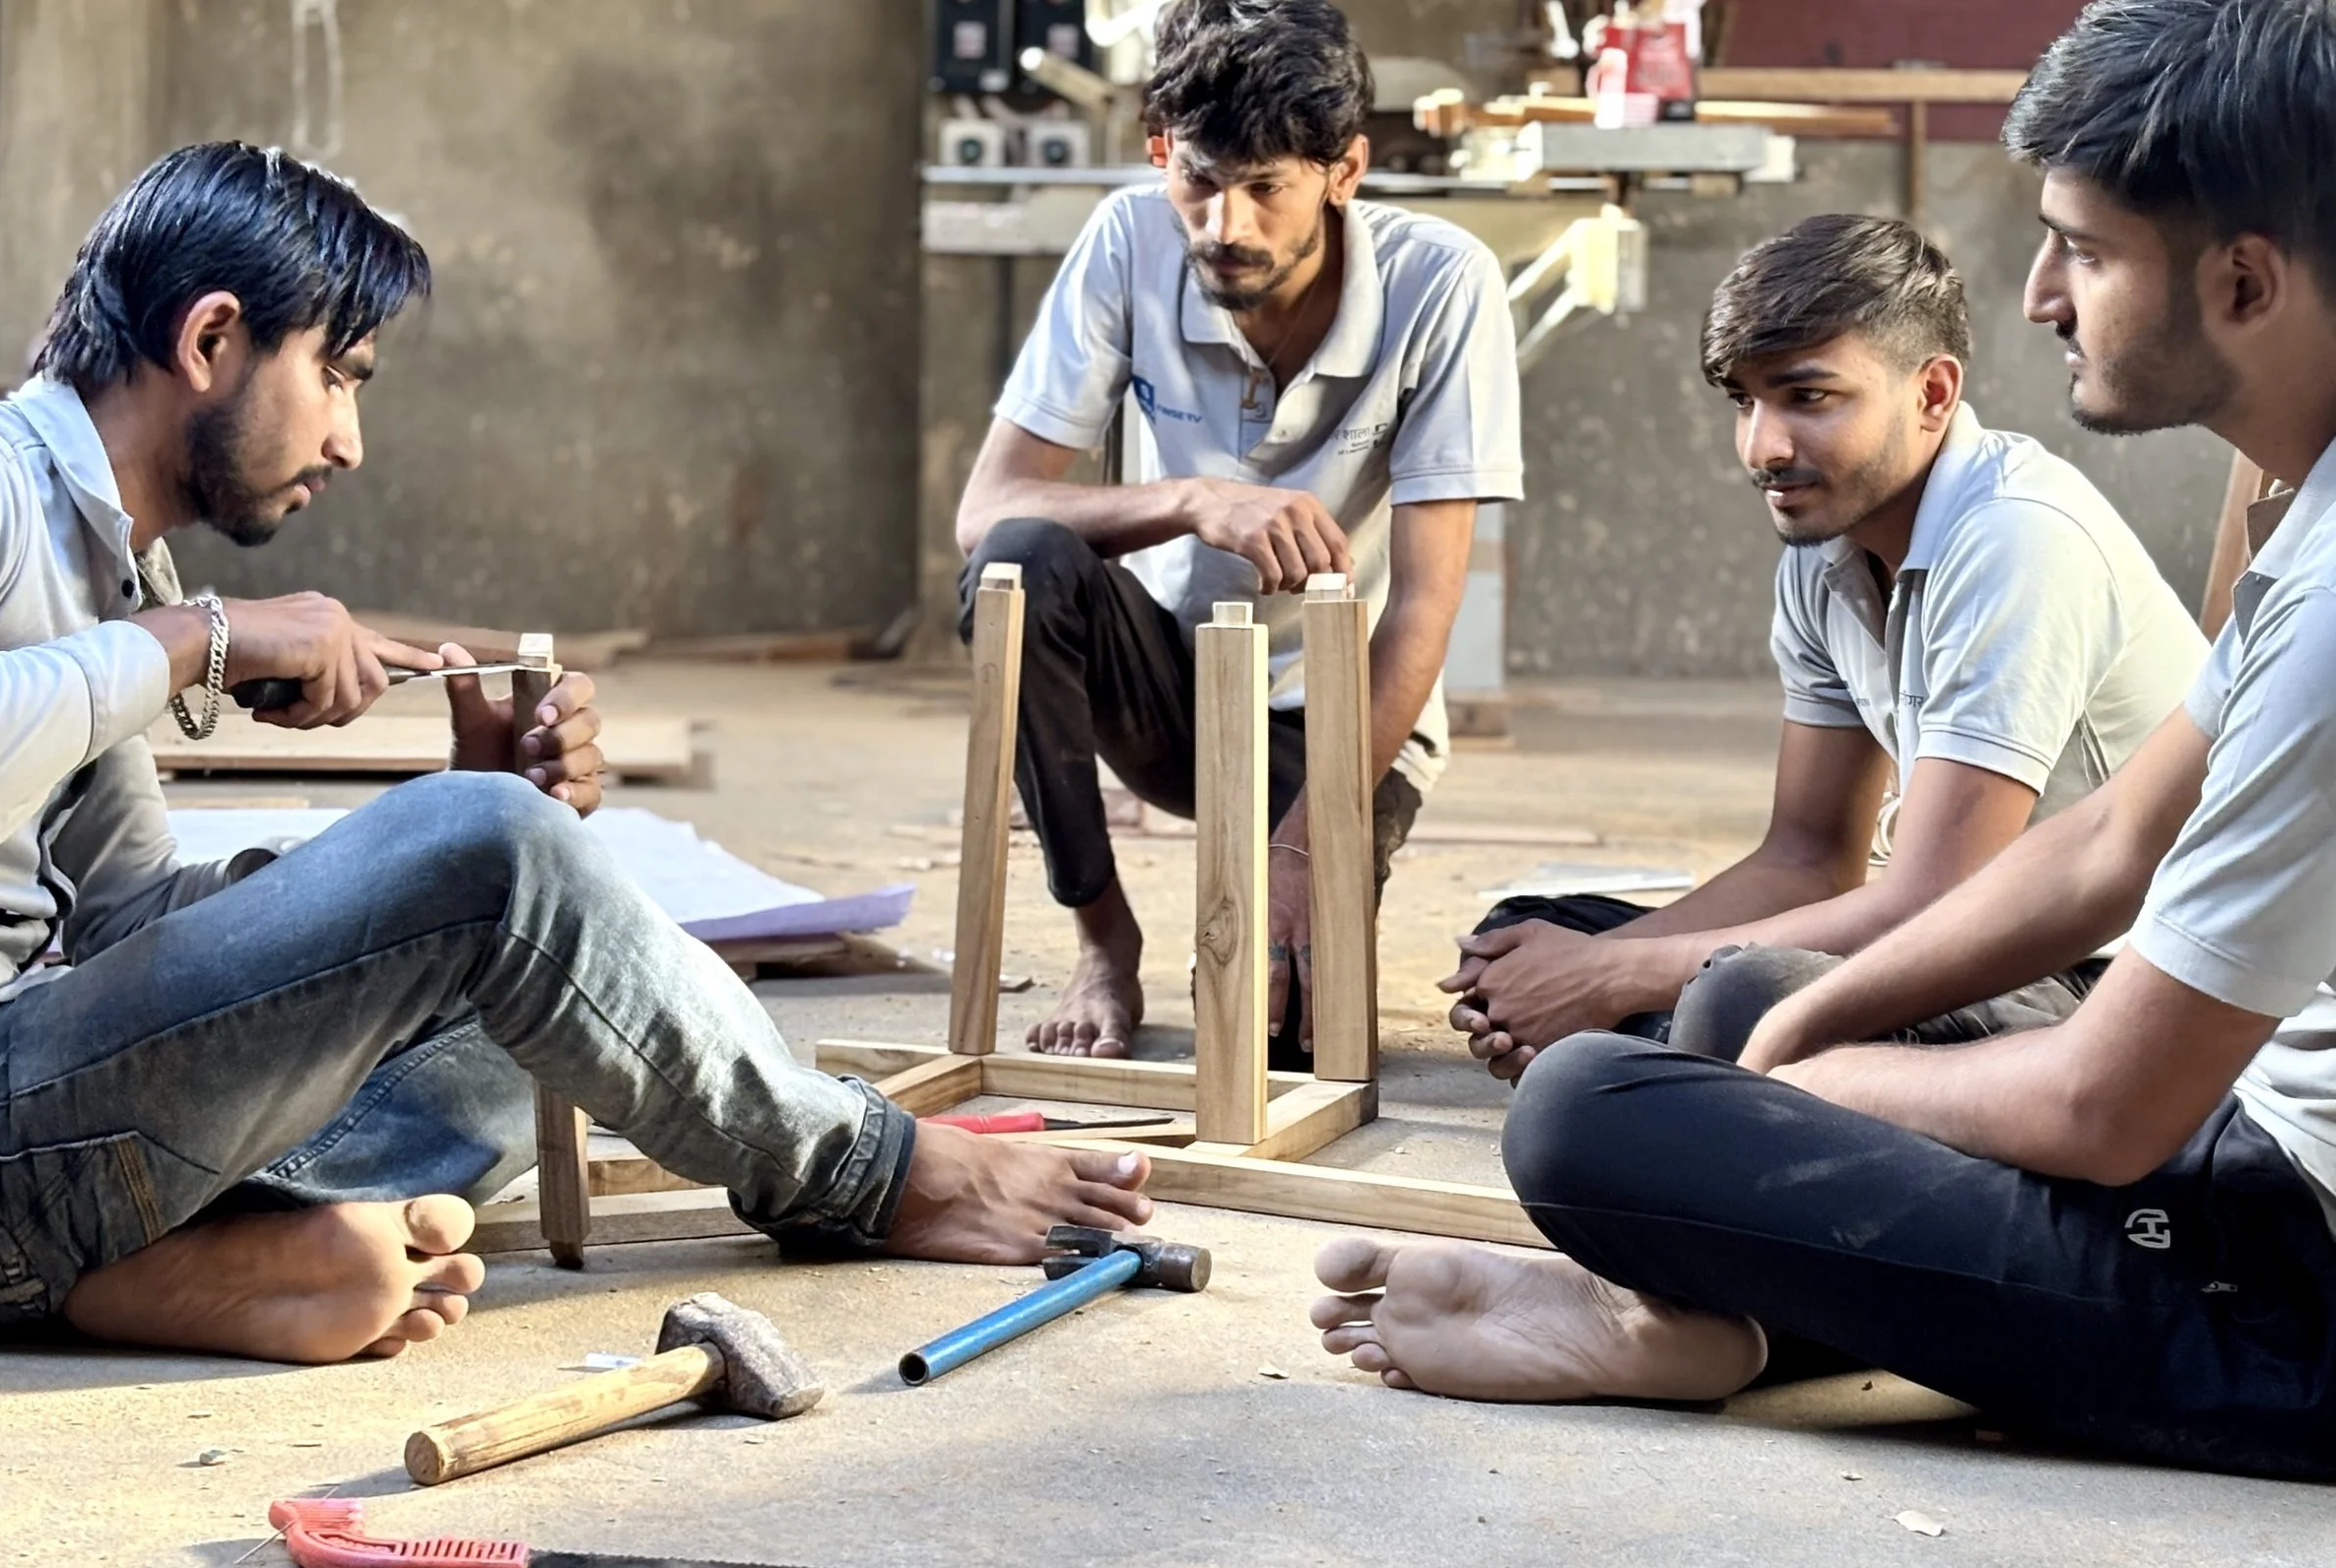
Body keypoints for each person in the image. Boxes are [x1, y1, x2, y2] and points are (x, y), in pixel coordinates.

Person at [0, 143, 1151, 1366]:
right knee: (498, 867)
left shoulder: (105, 560)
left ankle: (163, 1259)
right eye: (341, 372)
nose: (348, 441)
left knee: (545, 1010)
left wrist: (449, 833)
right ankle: (875, 1174)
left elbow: (125, 920)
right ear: (210, 340)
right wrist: (199, 637)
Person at [1311, 0, 2336, 1481]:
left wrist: (1801, 1083)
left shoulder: (2257, 588)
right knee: (1738, 1006)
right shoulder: (2304, 522)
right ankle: (1699, 1313)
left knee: (1588, 1113)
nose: (2042, 293)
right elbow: (2112, 842)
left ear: (2245, 280)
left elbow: (2106, 1105)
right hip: (2233, 1133)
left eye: (2087, 250)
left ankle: (1681, 1303)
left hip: (2286, 1289)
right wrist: (1787, 1030)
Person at [1443, 213, 2204, 1076]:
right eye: (1744, 400)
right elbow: (1806, 859)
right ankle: (1678, 1065)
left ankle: (1679, 1063)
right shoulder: (1825, 549)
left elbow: (1935, 908)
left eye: (1808, 397)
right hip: (1953, 938)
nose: (1764, 448)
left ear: (1931, 394)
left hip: (2101, 978)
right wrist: (1574, 967)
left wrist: (1613, 976)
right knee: (1524, 932)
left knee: (1738, 998)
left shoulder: (2016, 540)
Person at [953, 0, 1524, 1064]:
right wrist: (1193, 498)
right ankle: (1101, 941)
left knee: (1287, 1048)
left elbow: (1426, 602)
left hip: (1334, 723)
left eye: (1266, 189)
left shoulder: (1444, 282)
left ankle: (1299, 889)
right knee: (1016, 566)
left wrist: (1308, 844)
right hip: (1168, 682)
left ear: (1342, 174)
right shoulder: (1127, 238)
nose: (1226, 225)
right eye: (1200, 181)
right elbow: (985, 510)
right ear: (1161, 153)